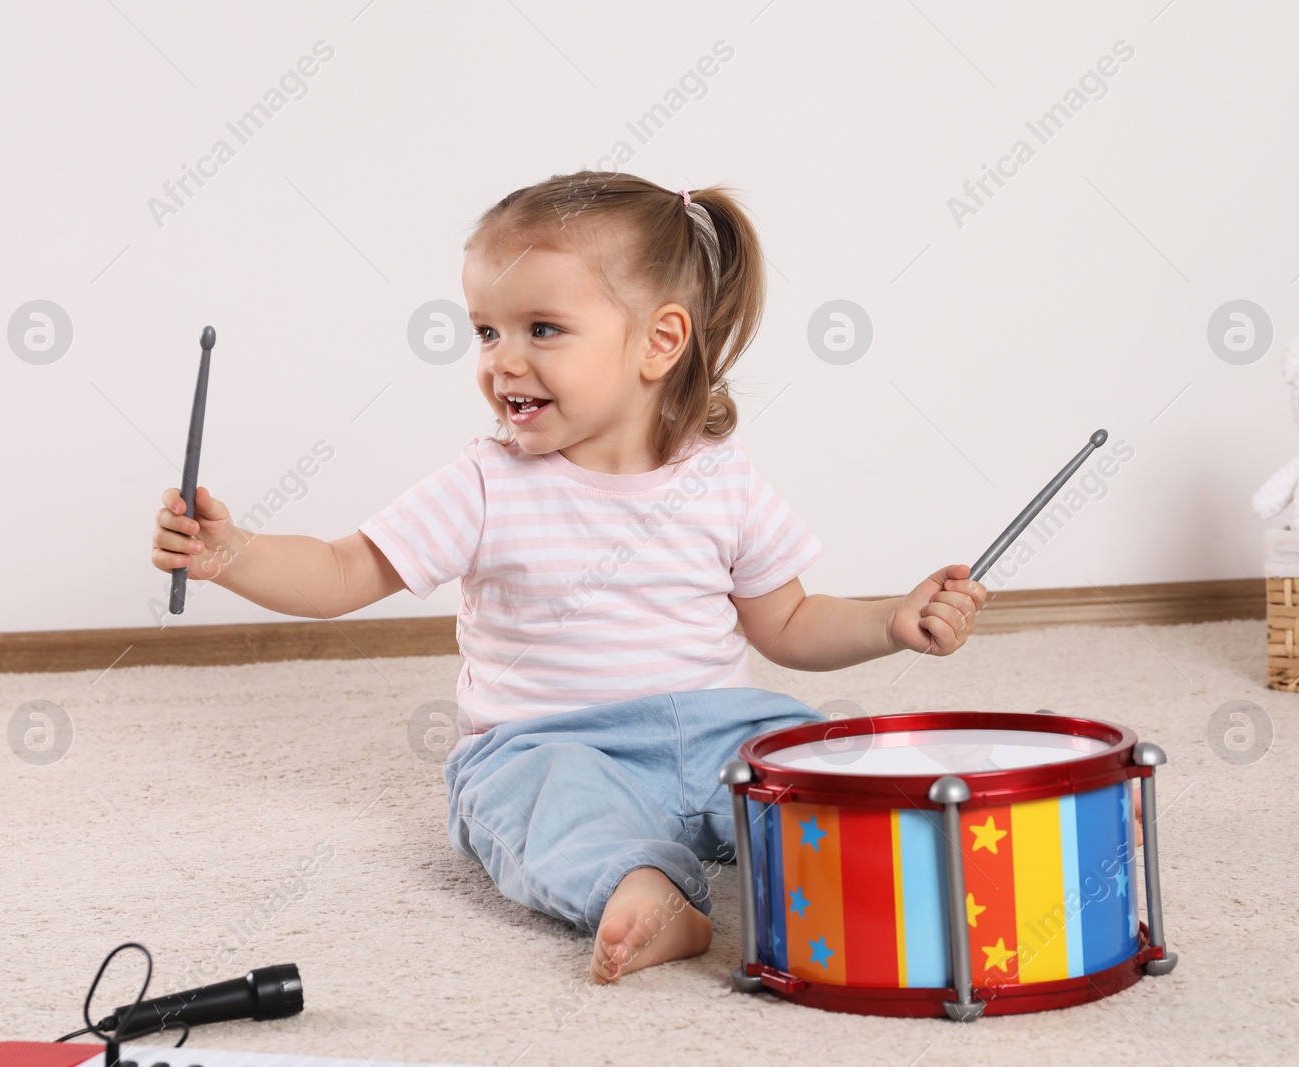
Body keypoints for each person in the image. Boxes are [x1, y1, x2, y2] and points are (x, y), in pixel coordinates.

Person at [150, 171, 988, 984]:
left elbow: (790, 621)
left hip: (714, 730)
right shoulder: (484, 484)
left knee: (817, 750)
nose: (502, 361)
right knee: (543, 801)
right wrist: (235, 554)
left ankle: (902, 863)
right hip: (550, 740)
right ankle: (643, 888)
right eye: (486, 331)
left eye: (541, 329)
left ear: (660, 342)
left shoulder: (720, 476)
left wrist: (889, 621)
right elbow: (341, 570)